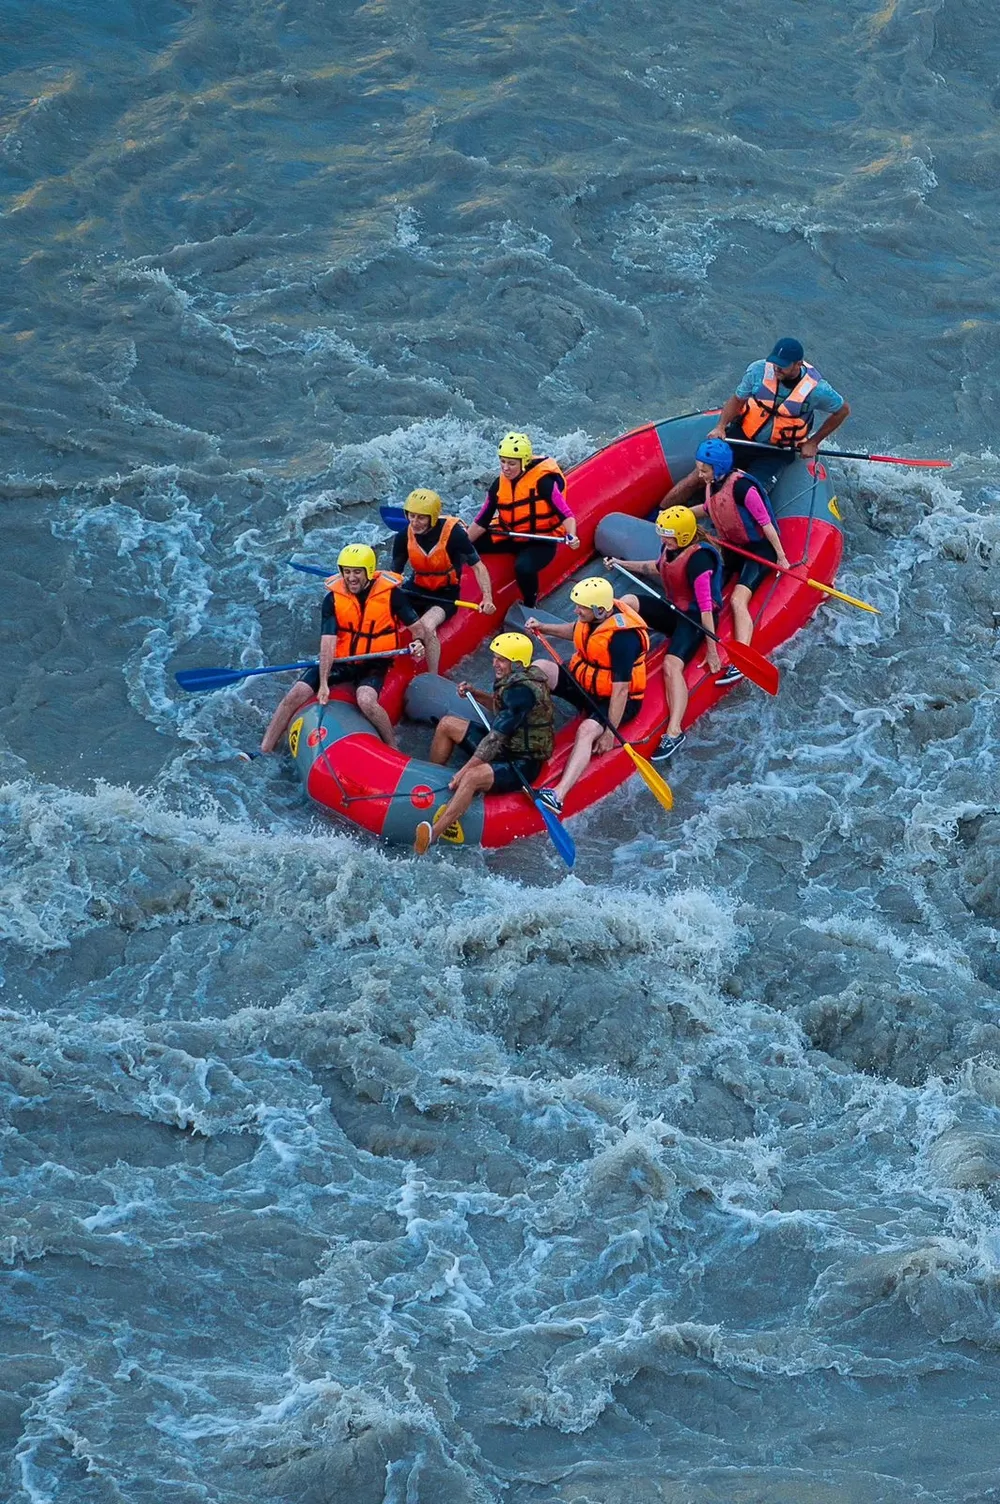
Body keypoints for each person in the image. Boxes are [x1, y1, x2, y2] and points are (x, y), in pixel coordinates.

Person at [259, 543, 424, 755]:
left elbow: (417, 629)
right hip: (342, 660)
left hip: (375, 661)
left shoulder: (392, 596)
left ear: (369, 572)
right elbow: (327, 643)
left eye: (357, 572)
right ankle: (264, 748)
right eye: (347, 572)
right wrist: (325, 683)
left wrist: (418, 642)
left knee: (366, 700)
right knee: (296, 693)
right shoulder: (332, 600)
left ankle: (392, 745)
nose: (351, 578)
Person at [413, 633, 555, 854]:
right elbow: (500, 706)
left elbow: (493, 740)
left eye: (501, 660)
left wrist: (463, 771)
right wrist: (476, 694)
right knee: (448, 724)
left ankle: (432, 835)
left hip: (522, 761)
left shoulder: (522, 693)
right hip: (506, 745)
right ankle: (434, 781)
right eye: (495, 657)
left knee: (471, 776)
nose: (494, 663)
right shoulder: (516, 680)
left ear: (517, 663)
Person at [605, 506, 724, 762]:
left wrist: (712, 650)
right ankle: (625, 649)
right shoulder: (671, 549)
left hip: (695, 619)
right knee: (627, 601)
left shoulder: (700, 561)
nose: (662, 539)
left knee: (672, 665)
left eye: (666, 535)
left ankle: (674, 731)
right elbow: (654, 567)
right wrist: (620, 563)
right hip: (675, 610)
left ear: (682, 536)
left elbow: (705, 607)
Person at [523, 577, 648, 815]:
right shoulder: (593, 615)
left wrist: (611, 732)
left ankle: (558, 795)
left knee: (587, 731)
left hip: (616, 699)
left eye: (580, 607)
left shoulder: (623, 639)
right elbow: (575, 630)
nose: (576, 610)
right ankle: (524, 727)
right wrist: (543, 627)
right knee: (540, 667)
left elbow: (621, 689)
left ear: (599, 610)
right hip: (586, 685)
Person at [688, 438, 791, 666]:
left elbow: (765, 523)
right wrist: (682, 514)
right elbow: (708, 508)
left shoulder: (744, 488)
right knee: (707, 591)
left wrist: (782, 558)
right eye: (699, 469)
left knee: (737, 600)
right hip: (734, 546)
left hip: (760, 550)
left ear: (719, 467)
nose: (699, 474)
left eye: (703, 470)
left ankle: (742, 657)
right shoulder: (713, 483)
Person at [466, 431, 579, 607]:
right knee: (469, 545)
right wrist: (462, 544)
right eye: (502, 461)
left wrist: (572, 535)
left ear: (524, 462)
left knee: (523, 568)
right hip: (510, 535)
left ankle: (531, 603)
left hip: (541, 540)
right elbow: (482, 520)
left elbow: (566, 514)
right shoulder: (498, 484)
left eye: (511, 463)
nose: (505, 468)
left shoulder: (544, 482)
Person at [390, 488, 496, 675]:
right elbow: (394, 577)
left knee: (426, 626)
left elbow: (478, 566)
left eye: (421, 518)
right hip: (416, 589)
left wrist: (487, 597)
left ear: (432, 517)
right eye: (411, 516)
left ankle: (433, 675)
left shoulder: (454, 534)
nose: (415, 522)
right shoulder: (402, 537)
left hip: (446, 594)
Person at [707, 337, 850, 462]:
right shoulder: (758, 370)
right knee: (702, 472)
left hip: (779, 450)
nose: (777, 368)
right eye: (775, 362)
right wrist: (720, 426)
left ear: (798, 364)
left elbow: (843, 411)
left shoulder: (818, 390)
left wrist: (813, 442)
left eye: (783, 365)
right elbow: (738, 399)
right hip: (742, 435)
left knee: (750, 489)